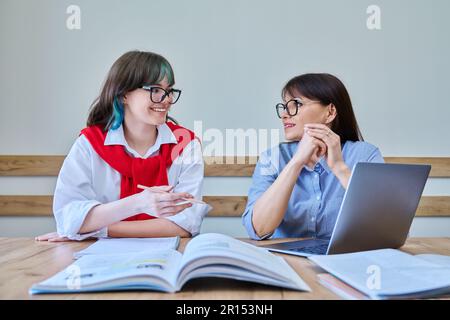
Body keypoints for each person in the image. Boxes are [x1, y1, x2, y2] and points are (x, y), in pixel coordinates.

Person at [36, 50, 209, 242]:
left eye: (169, 91)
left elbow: (185, 225)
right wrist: (138, 203)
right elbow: (69, 219)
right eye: (155, 90)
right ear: (125, 94)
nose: (167, 99)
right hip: (99, 259)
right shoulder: (90, 144)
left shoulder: (186, 145)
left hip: (167, 255)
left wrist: (97, 230)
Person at [242, 73, 384, 240]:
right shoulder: (272, 157)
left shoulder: (365, 154)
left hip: (344, 258)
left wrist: (340, 168)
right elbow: (258, 229)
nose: (285, 114)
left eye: (296, 104)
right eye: (285, 106)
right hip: (283, 261)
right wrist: (296, 162)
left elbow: (386, 225)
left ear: (330, 112)